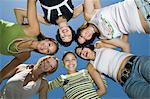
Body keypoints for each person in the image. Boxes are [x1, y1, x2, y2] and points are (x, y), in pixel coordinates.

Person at [0, 0, 58, 84]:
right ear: (46, 39)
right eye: (49, 44)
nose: (45, 47)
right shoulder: (34, 30)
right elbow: (31, 2)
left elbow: (4, 72)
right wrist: (44, 20)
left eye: (48, 51)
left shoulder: (25, 55)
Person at [75, 45, 150, 98]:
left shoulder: (99, 46)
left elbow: (124, 43)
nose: (82, 52)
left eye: (82, 49)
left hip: (137, 64)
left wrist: (125, 60)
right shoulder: (91, 66)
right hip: (130, 84)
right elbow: (102, 90)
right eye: (80, 54)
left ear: (86, 46)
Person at [75, 0, 150, 52]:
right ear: (90, 39)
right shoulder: (103, 38)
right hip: (145, 24)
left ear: (81, 30)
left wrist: (99, 10)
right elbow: (124, 45)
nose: (85, 36)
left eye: (81, 36)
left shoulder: (90, 16)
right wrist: (124, 30)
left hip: (141, 3)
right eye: (86, 40)